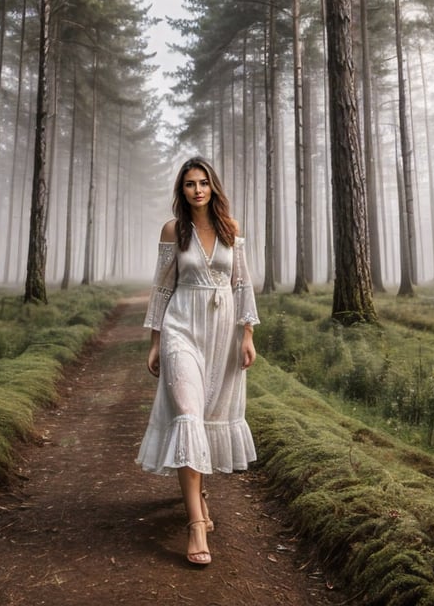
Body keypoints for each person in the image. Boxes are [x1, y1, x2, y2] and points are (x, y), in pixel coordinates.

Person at [136, 156, 260, 566]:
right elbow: (161, 287)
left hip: (223, 335)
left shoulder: (231, 228)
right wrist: (155, 342)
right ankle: (194, 524)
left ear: (213, 186)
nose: (197, 190)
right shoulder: (174, 230)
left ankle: (198, 493)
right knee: (188, 415)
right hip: (181, 329)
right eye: (189, 184)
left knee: (205, 417)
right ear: (182, 190)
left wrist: (247, 334)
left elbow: (241, 283)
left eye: (203, 182)